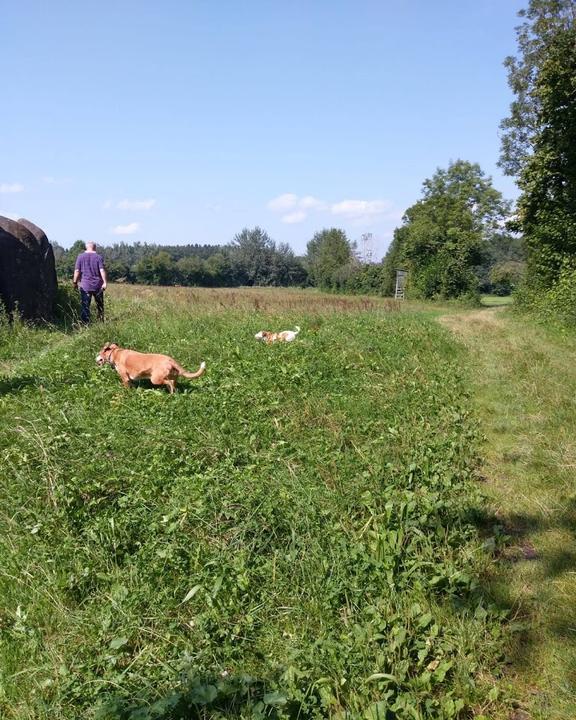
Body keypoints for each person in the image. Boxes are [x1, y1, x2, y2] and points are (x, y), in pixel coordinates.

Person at [73, 242, 107, 323]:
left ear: (86, 247)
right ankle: (100, 323)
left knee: (85, 307)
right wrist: (105, 282)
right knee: (100, 306)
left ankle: (85, 325)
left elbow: (77, 271)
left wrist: (75, 282)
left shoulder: (80, 257)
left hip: (85, 286)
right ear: (95, 248)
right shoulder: (99, 257)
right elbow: (102, 270)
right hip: (98, 286)